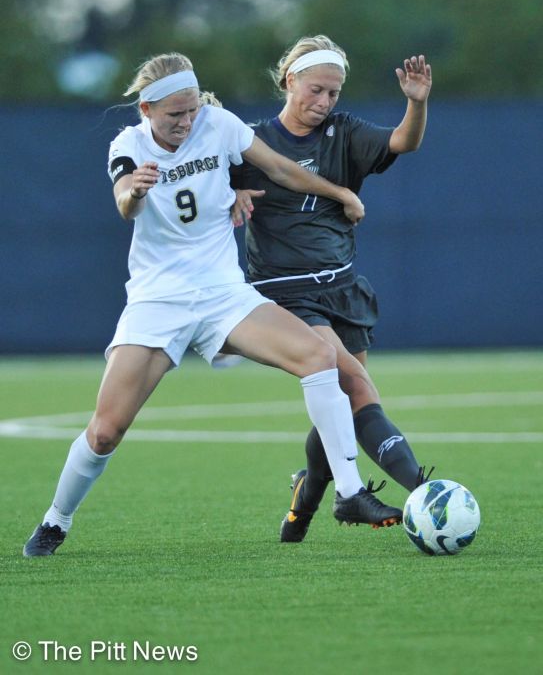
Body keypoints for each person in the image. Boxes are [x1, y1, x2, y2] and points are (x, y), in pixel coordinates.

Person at [23, 51, 405, 558]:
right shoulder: (128, 144)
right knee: (107, 430)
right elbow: (124, 204)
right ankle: (56, 520)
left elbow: (283, 170)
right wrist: (135, 192)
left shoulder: (217, 125)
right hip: (160, 301)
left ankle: (350, 492)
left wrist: (340, 192)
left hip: (224, 294)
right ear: (146, 109)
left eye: (191, 110)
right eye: (173, 114)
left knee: (320, 358)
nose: (186, 121)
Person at [230, 35, 434, 542]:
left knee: (342, 403)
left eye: (333, 94)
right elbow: (202, 186)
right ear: (289, 80)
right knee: (359, 390)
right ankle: (426, 492)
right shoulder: (252, 143)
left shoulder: (344, 133)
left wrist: (416, 102)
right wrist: (229, 190)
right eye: (315, 90)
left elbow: (403, 142)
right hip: (288, 296)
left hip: (343, 288)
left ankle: (305, 501)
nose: (323, 103)